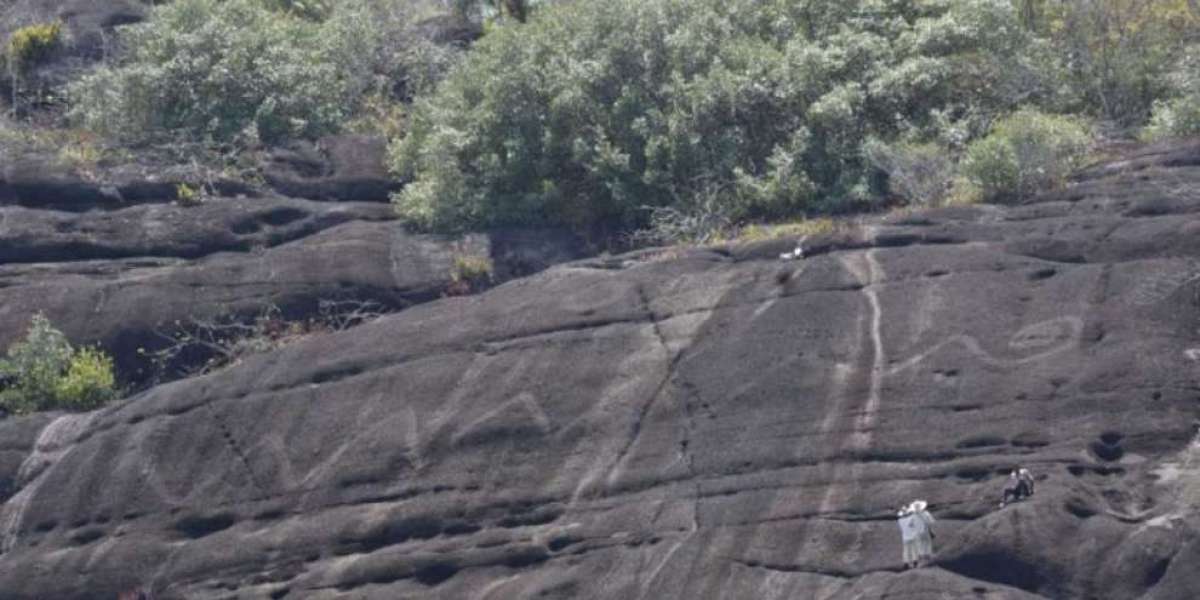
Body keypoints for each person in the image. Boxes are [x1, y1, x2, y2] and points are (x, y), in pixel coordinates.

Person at [897, 500, 937, 569]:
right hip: (921, 532)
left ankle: (910, 561)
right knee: (925, 544)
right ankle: (923, 558)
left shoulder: (903, 519)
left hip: (910, 536)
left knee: (910, 549)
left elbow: (910, 524)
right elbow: (931, 522)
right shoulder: (925, 513)